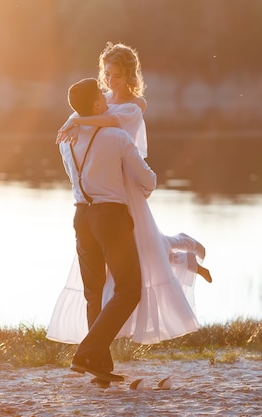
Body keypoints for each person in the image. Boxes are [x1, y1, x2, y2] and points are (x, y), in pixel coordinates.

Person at [47, 42, 211, 346]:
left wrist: (78, 120)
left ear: (130, 77)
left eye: (118, 76)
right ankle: (185, 257)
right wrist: (71, 121)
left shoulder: (135, 105)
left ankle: (185, 248)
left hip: (126, 186)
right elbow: (83, 114)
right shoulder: (101, 101)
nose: (111, 81)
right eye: (107, 74)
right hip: (106, 186)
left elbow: (110, 123)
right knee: (138, 254)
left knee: (146, 251)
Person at [59, 77, 157, 383]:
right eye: (102, 94)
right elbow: (148, 180)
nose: (107, 95)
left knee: (94, 293)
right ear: (98, 105)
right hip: (110, 218)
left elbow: (75, 177)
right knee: (129, 289)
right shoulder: (117, 136)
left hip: (81, 217)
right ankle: (88, 351)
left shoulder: (67, 140)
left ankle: (99, 366)